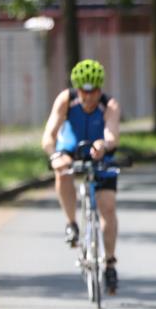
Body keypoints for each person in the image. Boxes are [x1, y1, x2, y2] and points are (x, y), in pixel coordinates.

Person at [41, 59, 122, 294]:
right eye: (84, 92)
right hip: (71, 148)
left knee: (107, 207)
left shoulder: (110, 105)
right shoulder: (66, 100)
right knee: (62, 170)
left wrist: (104, 145)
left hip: (100, 152)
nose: (88, 98)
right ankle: (71, 223)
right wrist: (55, 154)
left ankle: (110, 263)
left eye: (94, 92)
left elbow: (112, 134)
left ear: (100, 89)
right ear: (77, 90)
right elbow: (48, 135)